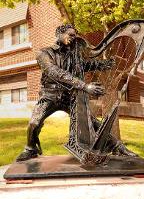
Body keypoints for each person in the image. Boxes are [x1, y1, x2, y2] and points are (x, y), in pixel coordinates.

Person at [16, 24, 136, 162]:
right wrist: (85, 86)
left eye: (74, 36)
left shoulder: (73, 55)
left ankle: (117, 147)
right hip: (49, 95)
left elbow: (84, 65)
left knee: (92, 122)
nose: (73, 38)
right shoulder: (44, 53)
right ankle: (31, 149)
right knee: (34, 123)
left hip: (69, 96)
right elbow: (55, 72)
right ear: (59, 33)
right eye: (70, 35)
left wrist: (104, 64)